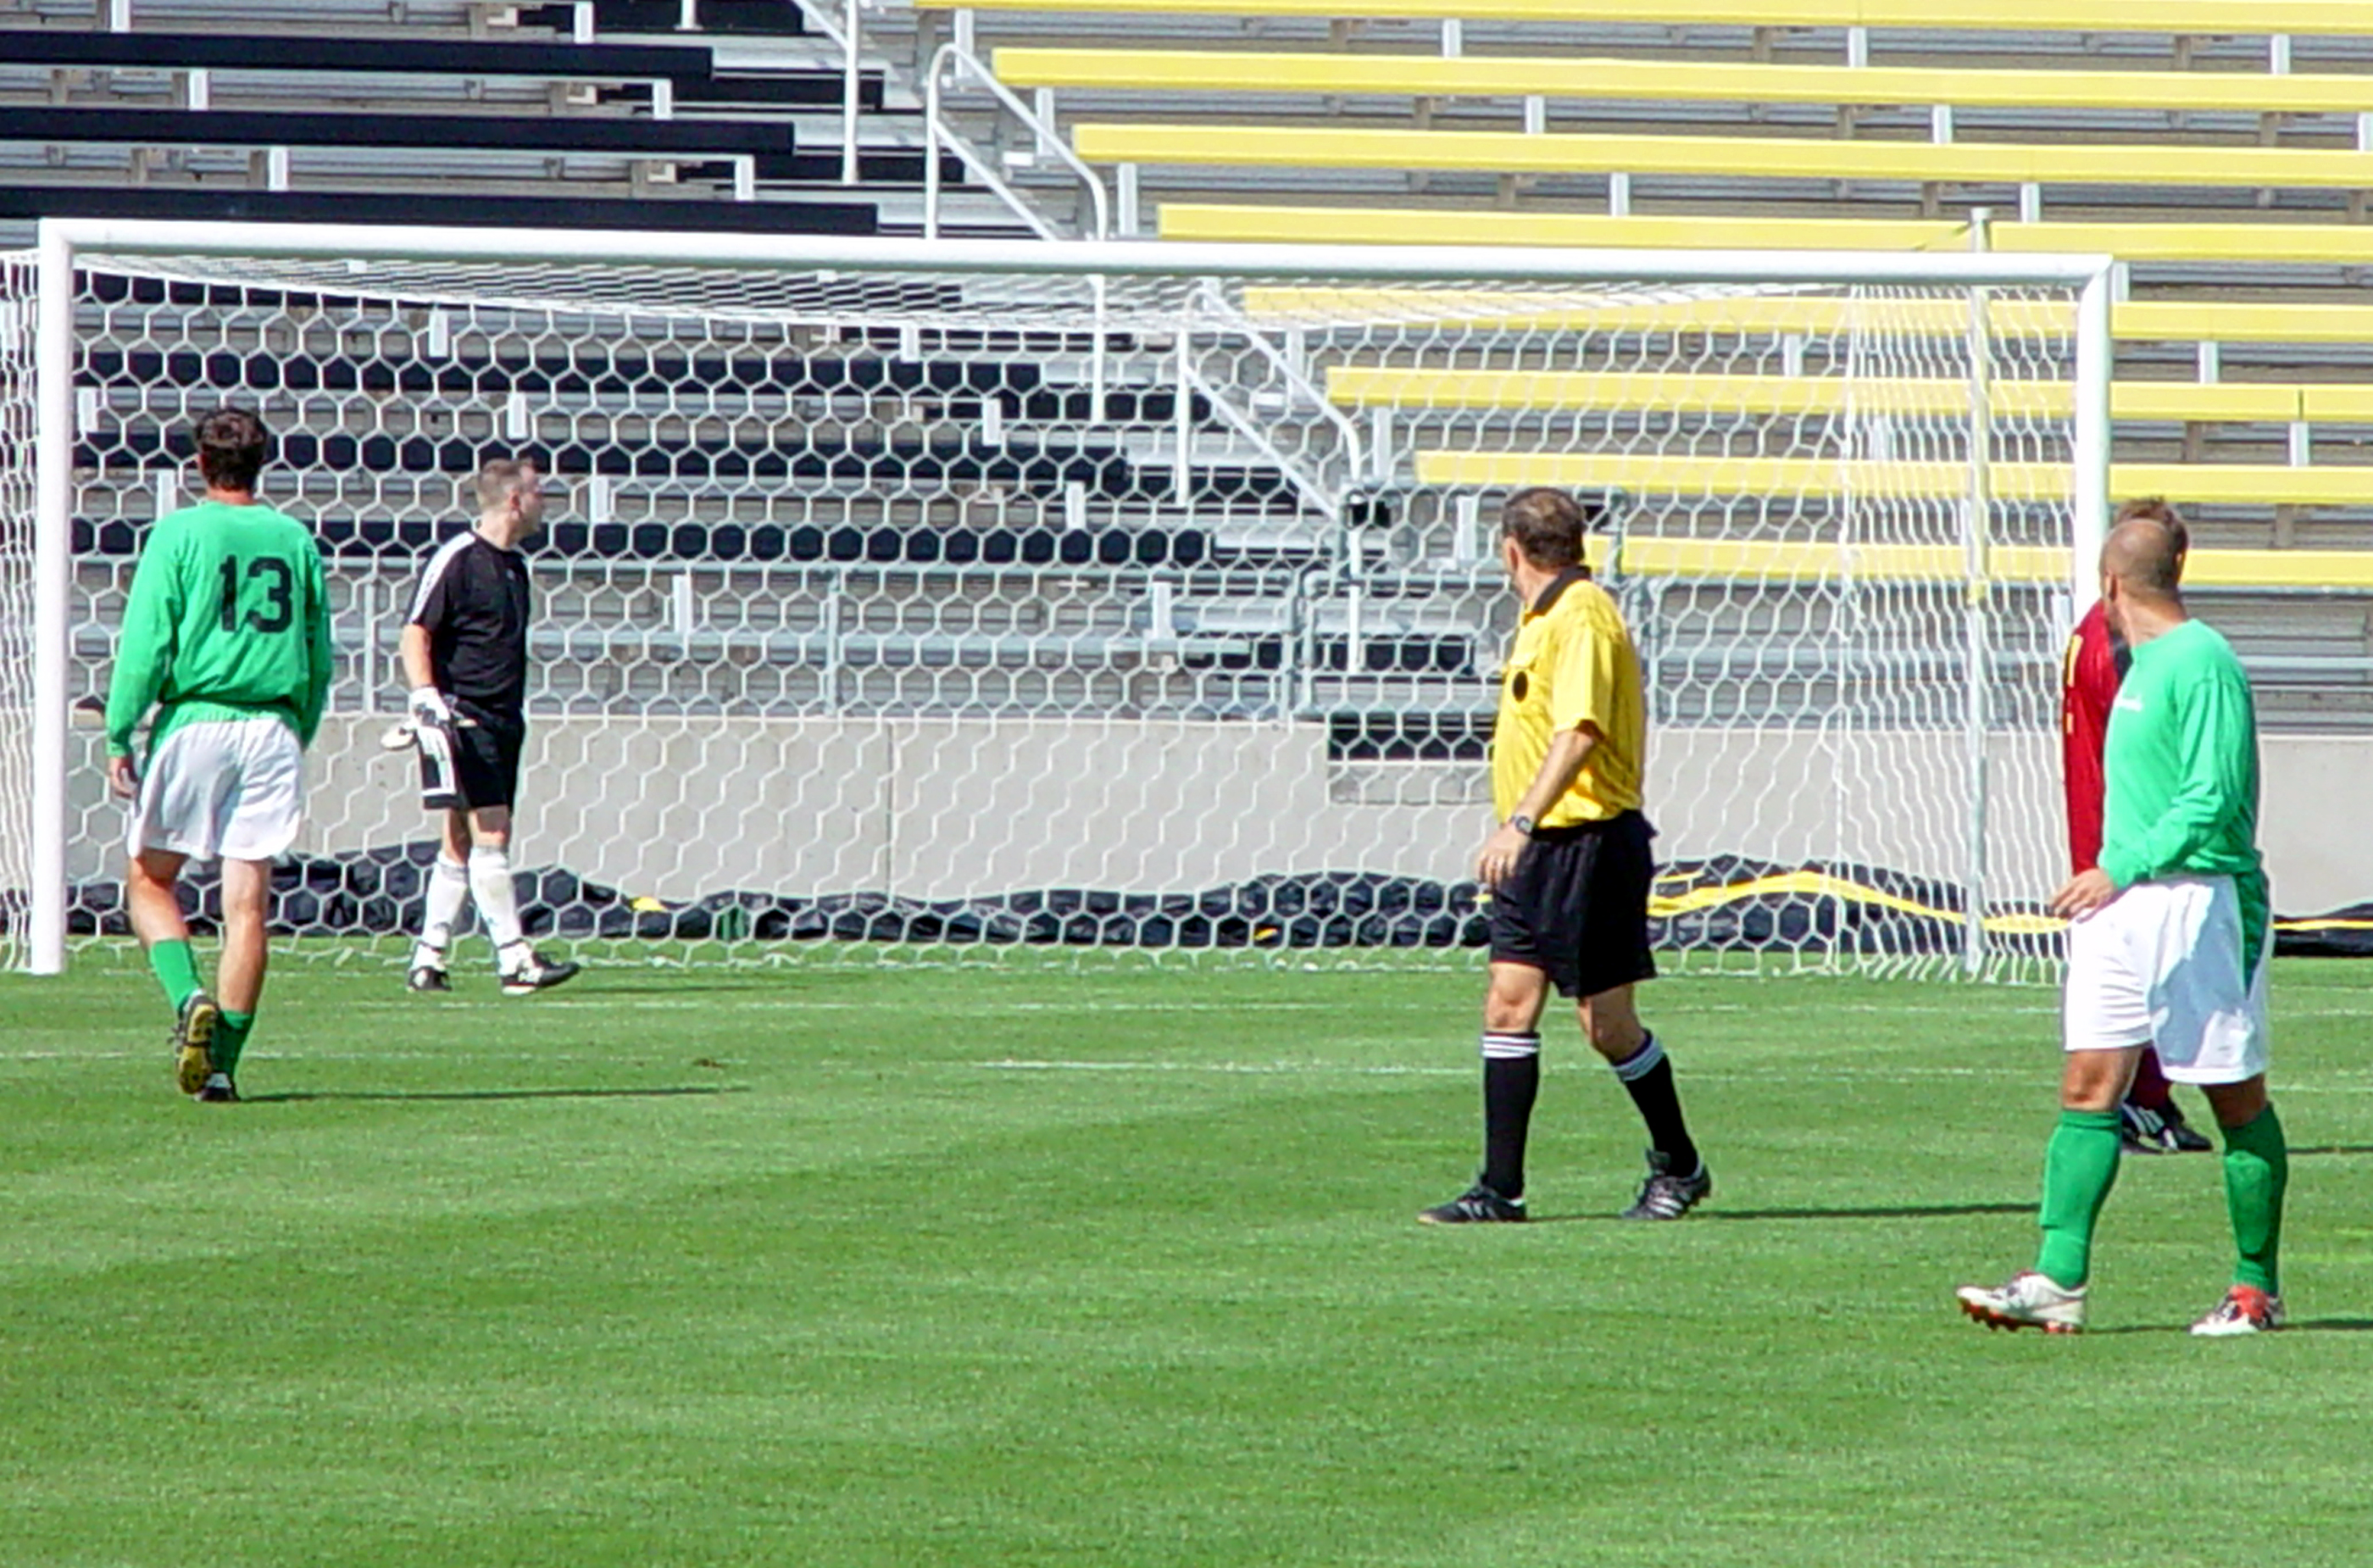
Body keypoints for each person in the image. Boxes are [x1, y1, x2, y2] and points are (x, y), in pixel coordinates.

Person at [1958, 516, 2287, 1337]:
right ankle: (2056, 1277)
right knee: (2087, 1088)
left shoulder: (2201, 661)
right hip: (2122, 902)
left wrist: (2120, 863)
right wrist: (2114, 878)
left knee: (2233, 1097)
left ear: (2108, 586)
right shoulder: (2137, 667)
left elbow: (2212, 797)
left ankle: (2255, 1289)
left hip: (2199, 901)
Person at [1420, 487, 1711, 1225]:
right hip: (1540, 849)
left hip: (1587, 844)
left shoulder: (1581, 616)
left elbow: (1578, 733)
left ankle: (1680, 1165)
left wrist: (1519, 821)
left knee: (1606, 1025)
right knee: (1508, 1004)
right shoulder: (1544, 614)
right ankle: (1500, 1190)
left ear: (1509, 549)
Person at [105, 408, 334, 1103]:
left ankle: (187, 1001)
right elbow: (319, 653)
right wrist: (301, 730)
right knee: (248, 908)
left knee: (148, 883)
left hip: (198, 720)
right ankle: (224, 1067)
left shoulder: (179, 532)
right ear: (262, 465)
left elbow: (146, 642)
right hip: (272, 727)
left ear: (199, 464)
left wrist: (120, 732)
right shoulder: (293, 539)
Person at [2062, 498, 2210, 1157]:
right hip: (2125, 843)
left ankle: (2137, 1100)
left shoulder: (2091, 629)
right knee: (2162, 980)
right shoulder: (2129, 644)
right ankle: (2140, 1099)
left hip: (2103, 833)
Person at [399, 457, 579, 995]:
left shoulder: (515, 566)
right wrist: (426, 697)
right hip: (463, 716)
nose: (546, 503)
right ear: (516, 500)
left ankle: (427, 957)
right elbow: (415, 632)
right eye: (540, 493)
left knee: (460, 842)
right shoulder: (456, 558)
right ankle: (514, 958)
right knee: (492, 834)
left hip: (504, 718)